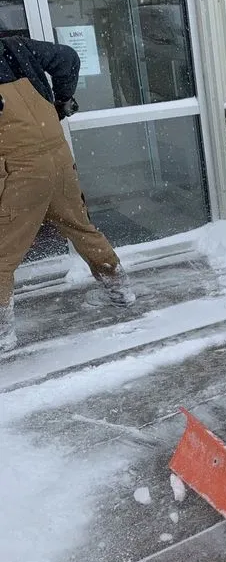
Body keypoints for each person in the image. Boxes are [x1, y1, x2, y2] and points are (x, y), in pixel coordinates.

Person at [0, 35, 135, 354]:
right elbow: (67, 58)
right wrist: (62, 99)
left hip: (19, 168)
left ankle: (2, 333)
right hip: (58, 157)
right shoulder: (17, 47)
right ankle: (119, 290)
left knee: (2, 255)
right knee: (80, 227)